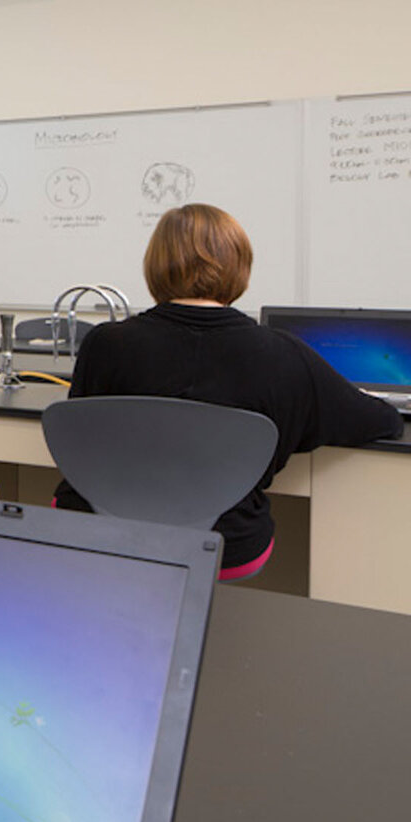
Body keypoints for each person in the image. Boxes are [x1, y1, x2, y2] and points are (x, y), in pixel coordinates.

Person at [54, 203, 402, 579]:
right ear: (240, 266)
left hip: (96, 529)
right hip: (226, 543)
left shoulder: (105, 344)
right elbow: (380, 420)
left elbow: (84, 435)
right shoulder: (283, 353)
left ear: (155, 264)